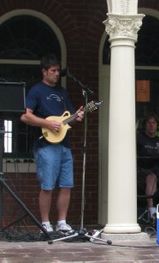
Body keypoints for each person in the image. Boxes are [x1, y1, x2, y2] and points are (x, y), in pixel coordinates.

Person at [20, 54, 84, 233]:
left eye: (58, 71)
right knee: (47, 185)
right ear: (44, 72)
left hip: (64, 144)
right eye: (53, 71)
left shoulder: (62, 92)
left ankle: (62, 222)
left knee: (66, 184)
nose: (57, 74)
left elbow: (68, 118)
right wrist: (47, 123)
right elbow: (25, 115)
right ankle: (45, 223)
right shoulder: (37, 91)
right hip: (46, 145)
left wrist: (77, 116)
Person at [137, 114, 159, 220]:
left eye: (154, 123)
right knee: (151, 177)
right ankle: (151, 211)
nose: (151, 125)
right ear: (145, 125)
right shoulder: (139, 139)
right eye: (149, 123)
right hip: (143, 171)